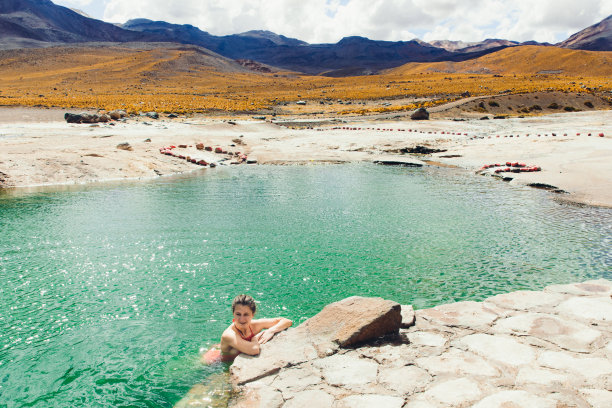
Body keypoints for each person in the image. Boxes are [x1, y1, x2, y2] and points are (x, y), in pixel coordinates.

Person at [202, 294, 292, 364]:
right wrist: (255, 338)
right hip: (215, 363)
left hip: (234, 352)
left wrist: (270, 331)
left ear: (252, 315)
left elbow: (287, 321)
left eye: (246, 314)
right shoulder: (229, 335)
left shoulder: (255, 325)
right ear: (233, 314)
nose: (242, 319)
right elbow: (254, 350)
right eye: (238, 314)